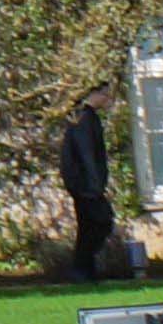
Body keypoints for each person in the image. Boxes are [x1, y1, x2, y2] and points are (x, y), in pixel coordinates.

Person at [58, 98, 119, 279]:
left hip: (85, 185)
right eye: (105, 92)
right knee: (98, 223)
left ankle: (85, 270)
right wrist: (94, 186)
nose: (109, 96)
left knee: (91, 227)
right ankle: (81, 269)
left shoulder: (87, 118)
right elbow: (87, 155)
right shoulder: (84, 120)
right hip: (86, 187)